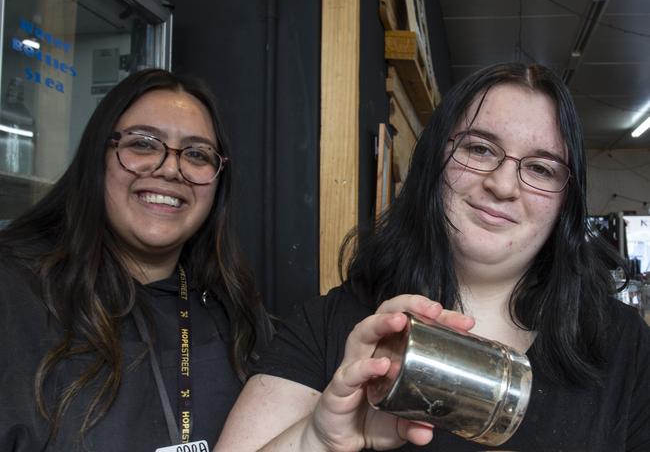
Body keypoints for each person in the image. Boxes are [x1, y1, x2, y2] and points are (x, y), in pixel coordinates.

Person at [215, 62, 650, 451]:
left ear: (565, 203)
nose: (503, 184)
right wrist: (318, 439)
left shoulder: (624, 344)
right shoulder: (329, 327)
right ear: (434, 159)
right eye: (479, 148)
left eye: (540, 168)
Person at [0, 69, 273, 451]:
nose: (170, 169)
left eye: (196, 154)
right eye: (143, 144)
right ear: (98, 157)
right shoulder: (13, 293)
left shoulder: (236, 307)